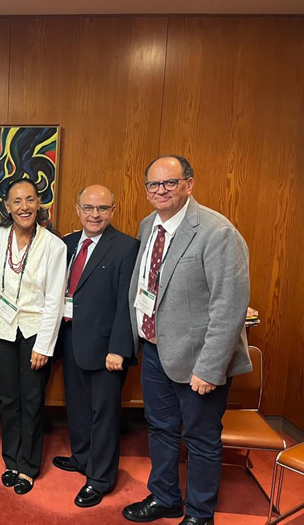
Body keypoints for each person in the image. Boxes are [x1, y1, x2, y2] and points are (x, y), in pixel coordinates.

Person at [122, 156, 252, 525]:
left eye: (170, 183)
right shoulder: (149, 225)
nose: (160, 191)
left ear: (189, 184)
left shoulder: (216, 231)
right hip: (154, 351)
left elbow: (229, 306)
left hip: (199, 361)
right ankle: (165, 497)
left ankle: (199, 514)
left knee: (200, 439)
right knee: (160, 428)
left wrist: (210, 369)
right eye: (153, 185)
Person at [52, 185, 139, 507]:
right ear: (78, 209)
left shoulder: (127, 247)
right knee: (76, 405)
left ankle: (101, 478)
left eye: (102, 208)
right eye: (88, 207)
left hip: (106, 348)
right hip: (71, 338)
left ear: (113, 211)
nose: (95, 214)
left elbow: (126, 303)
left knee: (103, 414)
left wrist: (119, 348)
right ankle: (82, 457)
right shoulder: (69, 243)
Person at [0, 178, 67, 495]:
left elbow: (55, 301)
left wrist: (44, 345)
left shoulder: (53, 245)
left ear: (39, 203)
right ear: (7, 206)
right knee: (8, 399)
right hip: (1, 330)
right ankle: (11, 460)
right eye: (17, 201)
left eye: (30, 200)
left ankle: (28, 466)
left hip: (35, 332)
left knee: (32, 401)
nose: (24, 207)